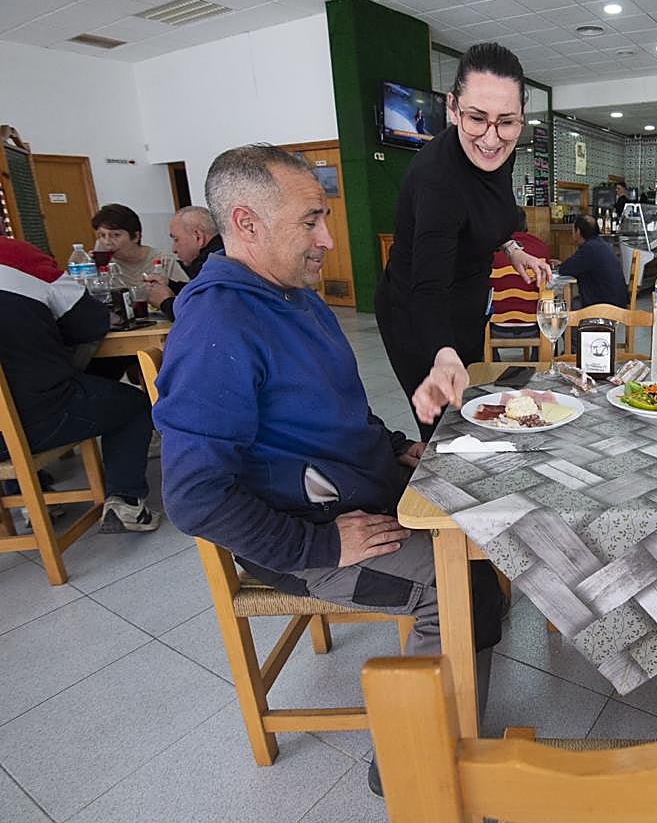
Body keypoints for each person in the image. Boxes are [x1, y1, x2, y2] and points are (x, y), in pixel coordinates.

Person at [153, 144, 503, 798]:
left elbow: (333, 411)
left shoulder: (295, 295)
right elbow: (194, 497)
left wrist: (397, 445)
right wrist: (322, 545)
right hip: (300, 537)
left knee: (484, 506)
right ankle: (412, 767)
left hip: (354, 489)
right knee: (449, 579)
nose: (328, 237)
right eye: (311, 220)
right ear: (247, 222)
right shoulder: (218, 328)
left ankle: (466, 684)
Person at [376, 42, 553, 441]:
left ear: (521, 119)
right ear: (453, 108)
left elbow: (493, 211)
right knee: (448, 430)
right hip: (417, 310)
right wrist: (441, 352)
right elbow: (429, 285)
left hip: (469, 299)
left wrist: (512, 248)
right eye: (477, 119)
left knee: (475, 408)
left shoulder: (500, 151)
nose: (491, 139)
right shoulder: (438, 181)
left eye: (507, 122)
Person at [0, 236, 159, 532]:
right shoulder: (14, 256)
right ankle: (125, 501)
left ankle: (29, 497)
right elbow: (87, 321)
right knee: (134, 404)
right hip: (38, 417)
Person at [488, 207, 549, 355]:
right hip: (534, 325)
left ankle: (492, 363)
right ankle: (536, 361)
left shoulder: (489, 248)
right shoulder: (541, 247)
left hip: (495, 325)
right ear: (525, 223)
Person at [146, 206, 223, 320]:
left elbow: (198, 316)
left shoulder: (210, 264)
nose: (174, 249)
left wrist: (165, 302)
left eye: (176, 239)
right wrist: (171, 285)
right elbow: (202, 293)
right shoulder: (222, 252)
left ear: (198, 237)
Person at [91, 203, 190, 289]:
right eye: (102, 235)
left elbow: (188, 292)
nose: (107, 242)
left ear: (136, 237)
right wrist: (89, 269)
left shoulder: (164, 260)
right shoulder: (104, 264)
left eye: (116, 235)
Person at [557, 214, 628, 309]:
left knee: (563, 307)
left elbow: (565, 269)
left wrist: (560, 265)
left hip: (604, 306)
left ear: (578, 231)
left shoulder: (589, 249)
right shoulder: (602, 244)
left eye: (573, 230)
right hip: (616, 301)